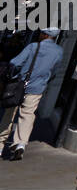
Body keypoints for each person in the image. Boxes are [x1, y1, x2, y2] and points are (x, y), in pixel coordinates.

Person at [3, 29, 62, 162]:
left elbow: (15, 63)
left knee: (9, 114)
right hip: (38, 88)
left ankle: (1, 143)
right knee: (28, 114)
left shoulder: (33, 46)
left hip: (19, 86)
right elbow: (54, 71)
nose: (40, 34)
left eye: (42, 33)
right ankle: (21, 143)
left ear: (46, 35)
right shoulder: (59, 51)